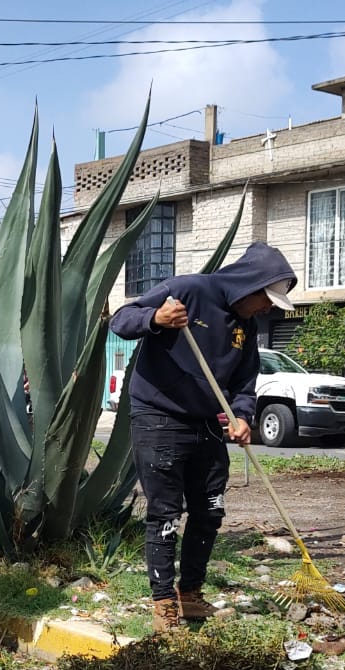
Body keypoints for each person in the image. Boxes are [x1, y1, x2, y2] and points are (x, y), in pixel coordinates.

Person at [111, 241, 297, 631]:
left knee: (210, 510)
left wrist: (243, 415)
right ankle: (163, 605)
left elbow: (246, 380)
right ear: (250, 285)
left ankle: (190, 595)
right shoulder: (190, 289)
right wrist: (157, 318)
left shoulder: (247, 324)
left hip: (209, 423)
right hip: (160, 417)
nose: (267, 309)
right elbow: (122, 320)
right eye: (266, 300)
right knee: (165, 513)